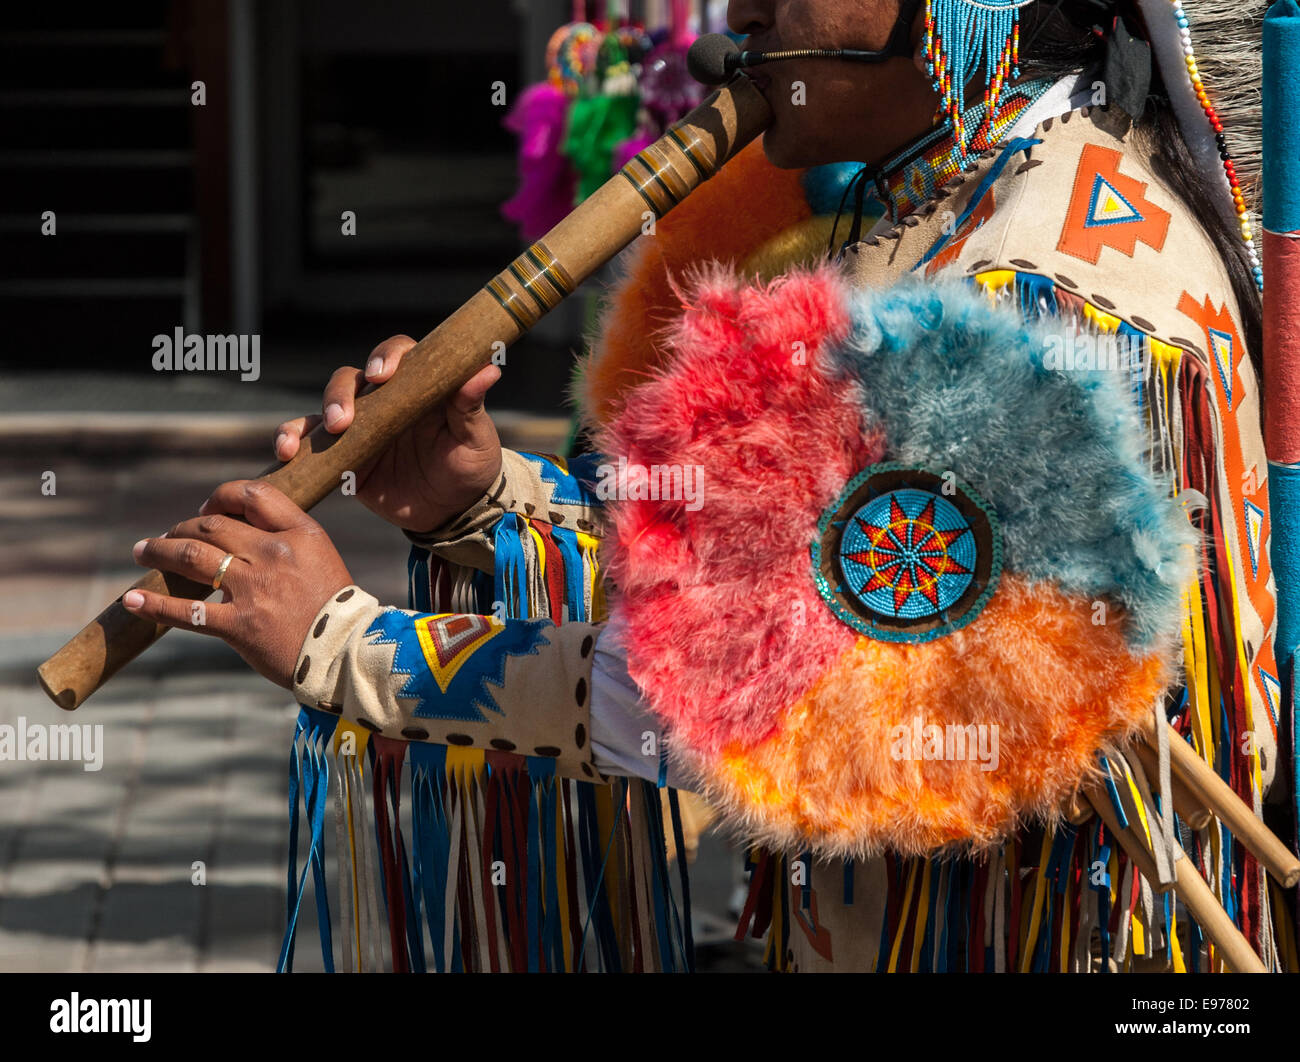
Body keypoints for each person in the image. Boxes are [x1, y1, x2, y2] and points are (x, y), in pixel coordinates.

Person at [122, 0, 1288, 972]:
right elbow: (800, 575)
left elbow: (755, 700)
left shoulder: (1028, 289)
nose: (739, 19)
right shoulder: (977, 198)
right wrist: (491, 507)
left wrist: (348, 644)